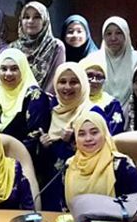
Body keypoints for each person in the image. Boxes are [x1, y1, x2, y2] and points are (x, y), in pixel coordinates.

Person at [35, 62, 93, 212]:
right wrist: (44, 146)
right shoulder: (50, 111)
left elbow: (102, 151)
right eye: (62, 82)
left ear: (83, 84)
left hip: (83, 188)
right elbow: (43, 163)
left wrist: (74, 140)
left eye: (74, 82)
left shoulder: (92, 113)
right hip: (51, 189)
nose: (67, 87)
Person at [64, 110, 137, 211]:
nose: (88, 138)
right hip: (76, 219)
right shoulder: (70, 164)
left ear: (104, 134)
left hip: (116, 220)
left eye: (94, 132)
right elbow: (64, 205)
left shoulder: (120, 165)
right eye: (81, 134)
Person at [0, 47, 50, 157]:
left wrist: (4, 155)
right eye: (3, 69)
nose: (8, 74)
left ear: (23, 69)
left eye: (14, 69)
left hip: (23, 159)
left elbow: (35, 138)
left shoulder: (35, 97)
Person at [13, 1, 64, 95]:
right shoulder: (13, 48)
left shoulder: (55, 46)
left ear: (45, 20)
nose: (30, 21)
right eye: (26, 17)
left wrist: (40, 100)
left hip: (47, 100)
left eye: (37, 17)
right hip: (17, 99)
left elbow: (55, 79)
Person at [99, 16, 137, 112]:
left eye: (119, 33)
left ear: (126, 34)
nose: (113, 38)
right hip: (100, 115)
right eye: (108, 33)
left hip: (135, 114)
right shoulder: (92, 61)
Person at [80, 55, 125, 135]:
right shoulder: (72, 101)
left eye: (99, 77)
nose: (94, 81)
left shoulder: (111, 104)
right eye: (89, 75)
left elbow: (114, 133)